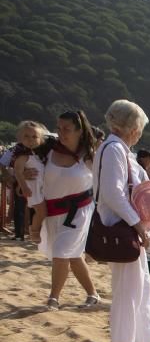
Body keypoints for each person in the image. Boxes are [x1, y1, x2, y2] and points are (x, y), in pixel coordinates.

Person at [95, 99, 150, 342]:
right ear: (133, 128)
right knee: (128, 288)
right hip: (121, 227)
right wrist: (138, 223)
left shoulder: (118, 149)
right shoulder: (114, 149)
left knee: (141, 286)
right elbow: (113, 193)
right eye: (139, 128)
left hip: (128, 226)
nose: (140, 133)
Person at [24, 112, 101, 310]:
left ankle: (53, 298)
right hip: (53, 212)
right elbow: (23, 164)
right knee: (73, 256)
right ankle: (93, 294)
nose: (60, 133)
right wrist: (22, 175)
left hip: (80, 211)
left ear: (79, 131)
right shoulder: (47, 149)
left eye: (66, 129)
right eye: (58, 128)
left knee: (61, 252)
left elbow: (108, 180)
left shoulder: (89, 155)